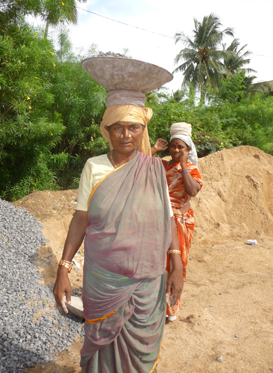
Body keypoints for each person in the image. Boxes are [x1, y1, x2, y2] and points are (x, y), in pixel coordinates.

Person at [53, 77, 184, 370]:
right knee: (100, 351)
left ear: (142, 130)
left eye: (134, 127)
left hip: (147, 281)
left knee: (140, 355)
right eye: (118, 127)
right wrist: (64, 268)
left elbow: (167, 219)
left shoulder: (153, 169)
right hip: (104, 280)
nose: (126, 134)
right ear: (107, 131)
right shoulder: (94, 167)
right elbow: (80, 220)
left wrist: (176, 265)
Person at [152, 122, 203, 322]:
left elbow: (192, 191)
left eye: (180, 147)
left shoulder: (191, 169)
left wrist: (183, 167)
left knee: (177, 263)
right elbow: (136, 161)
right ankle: (156, 305)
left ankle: (171, 309)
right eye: (173, 146)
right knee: (159, 264)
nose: (175, 150)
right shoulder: (163, 165)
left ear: (188, 149)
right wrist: (155, 149)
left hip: (181, 223)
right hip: (161, 221)